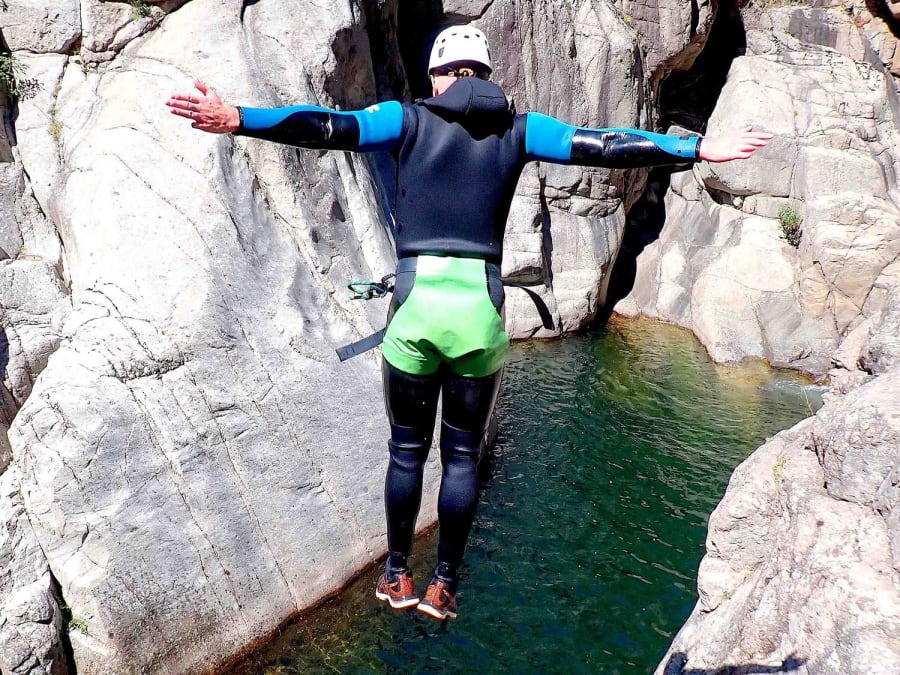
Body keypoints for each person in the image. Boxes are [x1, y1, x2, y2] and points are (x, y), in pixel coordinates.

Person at [167, 24, 771, 621]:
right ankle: (445, 584)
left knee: (407, 452)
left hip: (417, 306)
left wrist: (237, 116)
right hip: (479, 314)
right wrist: (695, 148)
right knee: (461, 459)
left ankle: (397, 573)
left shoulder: (405, 119)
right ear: (487, 76)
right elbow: (604, 144)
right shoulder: (521, 129)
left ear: (437, 73)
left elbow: (329, 127)